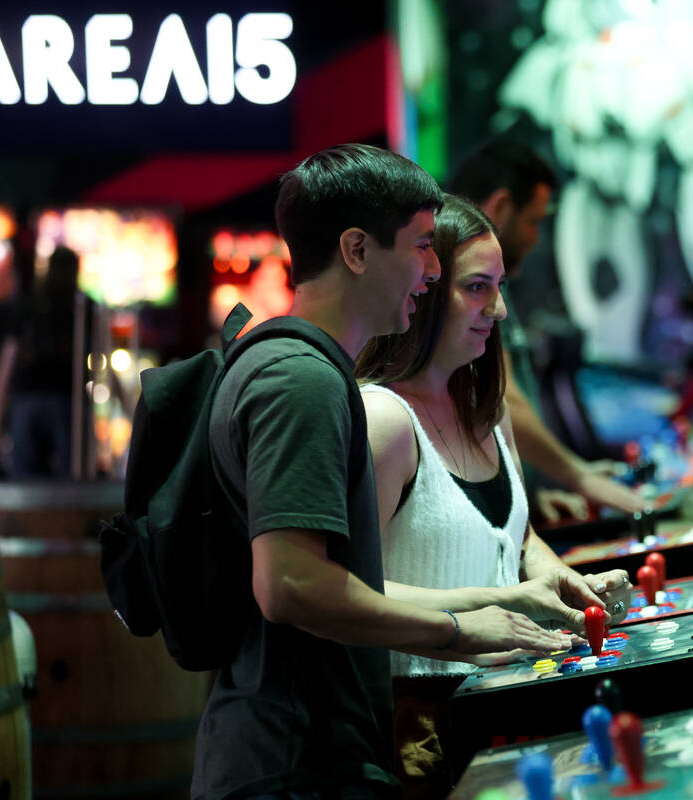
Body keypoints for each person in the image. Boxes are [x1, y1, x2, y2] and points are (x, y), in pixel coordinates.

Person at [193, 145, 606, 800]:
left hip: (323, 750)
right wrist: (466, 624)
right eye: (421, 247)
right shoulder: (302, 381)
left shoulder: (311, 371)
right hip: (292, 763)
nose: (432, 269)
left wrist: (510, 595)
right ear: (357, 251)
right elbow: (289, 585)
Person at [356, 195, 632, 797]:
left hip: (512, 696)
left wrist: (561, 581)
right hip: (420, 725)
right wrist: (501, 602)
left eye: (500, 286)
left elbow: (515, 533)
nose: (499, 309)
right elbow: (353, 593)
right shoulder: (383, 420)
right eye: (478, 288)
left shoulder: (487, 406)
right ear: (423, 290)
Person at [448, 137, 648, 523]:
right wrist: (578, 475)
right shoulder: (465, 291)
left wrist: (526, 496)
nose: (536, 237)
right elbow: (501, 398)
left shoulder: (492, 285)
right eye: (534, 221)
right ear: (501, 208)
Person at [0, 244, 79, 478]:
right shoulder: (79, 309)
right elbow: (103, 360)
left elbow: (6, 368)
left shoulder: (28, 305)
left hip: (27, 402)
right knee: (68, 486)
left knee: (24, 486)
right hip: (65, 403)